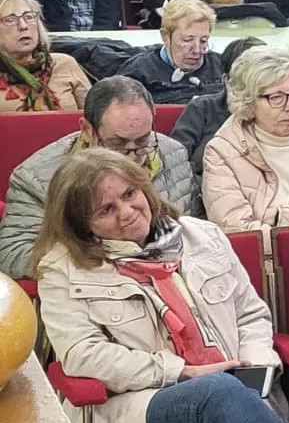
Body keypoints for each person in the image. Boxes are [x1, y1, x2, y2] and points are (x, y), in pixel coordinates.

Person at [34, 148, 289, 423]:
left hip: (235, 401)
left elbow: (250, 314)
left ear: (144, 188)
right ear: (80, 224)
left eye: (129, 194)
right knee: (218, 393)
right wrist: (180, 372)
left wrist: (256, 365)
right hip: (143, 414)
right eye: (105, 210)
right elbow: (83, 355)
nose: (126, 212)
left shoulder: (204, 236)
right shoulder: (62, 270)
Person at [0, 76, 195, 278]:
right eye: (117, 144)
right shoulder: (36, 178)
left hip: (172, 279)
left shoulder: (173, 153)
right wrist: (114, 260)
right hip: (93, 289)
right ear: (87, 130)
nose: (132, 158)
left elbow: (192, 228)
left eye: (143, 141)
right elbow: (12, 256)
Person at [202, 47, 289, 231]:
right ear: (249, 101)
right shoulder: (221, 152)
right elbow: (237, 231)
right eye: (277, 97)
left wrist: (277, 217)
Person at [171, 36, 264, 177]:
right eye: (246, 79)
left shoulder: (285, 112)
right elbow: (174, 163)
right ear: (226, 81)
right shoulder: (202, 108)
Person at [116, 0, 224, 104]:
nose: (197, 50)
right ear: (165, 36)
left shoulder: (224, 66)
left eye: (203, 41)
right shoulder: (138, 73)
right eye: (187, 40)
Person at [0, 0, 89, 112]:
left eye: (29, 17)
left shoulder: (65, 64)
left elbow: (94, 119)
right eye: (10, 20)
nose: (23, 26)